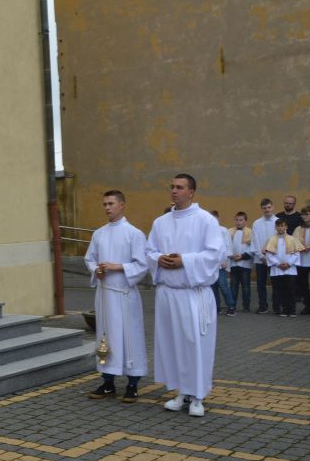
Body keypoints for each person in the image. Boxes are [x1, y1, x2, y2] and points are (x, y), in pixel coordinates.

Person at [146, 174, 226, 418]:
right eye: (172, 187)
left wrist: (185, 261)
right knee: (174, 345)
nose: (174, 191)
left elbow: (215, 254)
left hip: (193, 294)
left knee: (195, 345)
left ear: (191, 192)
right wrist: (159, 259)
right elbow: (149, 250)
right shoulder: (161, 222)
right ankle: (181, 392)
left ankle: (198, 396)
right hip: (168, 293)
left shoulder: (205, 221)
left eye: (179, 187)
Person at [83, 190, 148, 403]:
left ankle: (132, 384)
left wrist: (118, 266)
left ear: (122, 205)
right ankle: (108, 381)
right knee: (105, 338)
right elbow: (90, 258)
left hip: (124, 295)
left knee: (130, 337)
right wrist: (96, 270)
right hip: (104, 296)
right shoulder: (99, 234)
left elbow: (142, 265)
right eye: (104, 204)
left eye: (111, 203)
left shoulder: (134, 234)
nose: (107, 208)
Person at [264, 218, 303, 317]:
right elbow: (269, 255)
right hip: (277, 269)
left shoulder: (292, 239)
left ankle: (292, 310)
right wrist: (278, 264)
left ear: (286, 227)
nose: (280, 228)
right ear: (275, 227)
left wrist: (289, 264)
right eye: (278, 226)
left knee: (290, 290)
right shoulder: (271, 239)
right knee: (279, 291)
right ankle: (281, 309)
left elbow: (296, 254)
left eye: (282, 226)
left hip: (290, 269)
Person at [251, 198, 280, 314]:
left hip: (274, 258)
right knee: (260, 284)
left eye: (269, 207)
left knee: (276, 283)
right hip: (260, 259)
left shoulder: (278, 221)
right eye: (264, 208)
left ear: (272, 207)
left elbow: (280, 240)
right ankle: (263, 306)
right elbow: (254, 241)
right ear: (261, 209)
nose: (267, 210)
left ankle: (276, 306)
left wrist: (271, 256)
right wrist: (261, 256)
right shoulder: (256, 223)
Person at [210, 211, 237, 316]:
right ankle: (216, 307)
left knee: (223, 285)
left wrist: (225, 259)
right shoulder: (206, 232)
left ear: (218, 219)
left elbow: (228, 246)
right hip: (211, 264)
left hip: (222, 263)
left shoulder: (223, 231)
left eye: (215, 219)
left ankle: (231, 306)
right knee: (213, 286)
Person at [228, 212, 254, 312]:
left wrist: (243, 257)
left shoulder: (250, 232)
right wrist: (231, 255)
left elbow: (252, 247)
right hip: (233, 262)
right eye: (237, 220)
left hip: (245, 264)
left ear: (246, 221)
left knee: (246, 286)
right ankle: (232, 305)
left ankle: (246, 305)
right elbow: (227, 245)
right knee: (233, 285)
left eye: (241, 220)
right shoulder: (230, 231)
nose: (238, 222)